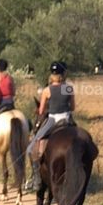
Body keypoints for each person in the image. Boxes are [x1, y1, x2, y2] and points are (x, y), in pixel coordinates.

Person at [25, 61, 75, 189]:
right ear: (63, 74)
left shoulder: (47, 90)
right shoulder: (69, 88)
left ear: (51, 74)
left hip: (53, 120)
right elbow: (73, 107)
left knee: (31, 148)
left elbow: (41, 111)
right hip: (67, 119)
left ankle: (36, 179)